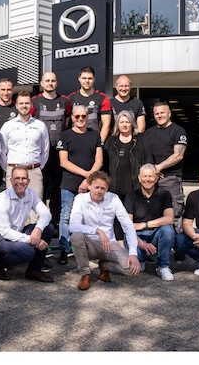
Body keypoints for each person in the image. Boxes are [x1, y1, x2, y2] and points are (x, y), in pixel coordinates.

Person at [68, 171, 140, 290]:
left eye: (103, 188)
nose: (99, 191)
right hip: (89, 244)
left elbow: (128, 225)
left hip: (110, 244)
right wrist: (97, 231)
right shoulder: (80, 199)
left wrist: (133, 253)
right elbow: (73, 226)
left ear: (107, 189)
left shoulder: (114, 198)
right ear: (89, 186)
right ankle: (85, 274)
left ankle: (105, 266)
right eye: (96, 187)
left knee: (131, 269)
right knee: (76, 236)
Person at [55, 105, 103, 265]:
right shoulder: (65, 135)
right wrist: (86, 175)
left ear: (87, 117)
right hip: (69, 183)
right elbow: (63, 162)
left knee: (89, 217)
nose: (81, 119)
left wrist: (88, 180)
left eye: (83, 116)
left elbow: (99, 160)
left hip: (90, 185)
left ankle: (87, 249)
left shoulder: (95, 135)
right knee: (66, 216)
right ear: (72, 118)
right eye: (77, 116)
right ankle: (64, 250)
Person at [0, 166, 55, 283]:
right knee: (28, 252)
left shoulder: (30, 193)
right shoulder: (2, 200)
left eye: (24, 178)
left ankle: (34, 270)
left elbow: (46, 213)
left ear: (28, 181)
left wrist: (38, 229)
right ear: (11, 181)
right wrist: (32, 240)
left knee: (48, 228)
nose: (20, 182)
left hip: (17, 232)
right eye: (17, 178)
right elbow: (5, 232)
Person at [104, 109, 153, 242]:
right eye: (122, 122)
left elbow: (148, 162)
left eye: (127, 122)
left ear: (132, 123)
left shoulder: (141, 140)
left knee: (134, 216)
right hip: (115, 186)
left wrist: (147, 180)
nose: (124, 125)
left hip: (135, 186)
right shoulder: (110, 141)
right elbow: (104, 164)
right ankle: (120, 244)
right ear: (117, 124)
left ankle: (136, 244)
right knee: (116, 217)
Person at [31, 71, 71, 224]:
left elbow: (67, 121)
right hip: (41, 151)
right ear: (42, 83)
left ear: (56, 83)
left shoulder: (65, 101)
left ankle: (55, 220)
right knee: (41, 186)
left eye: (53, 81)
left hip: (59, 151)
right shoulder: (35, 101)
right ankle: (40, 220)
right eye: (47, 81)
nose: (50, 83)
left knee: (57, 186)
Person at [124, 163, 176, 281]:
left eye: (151, 176)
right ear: (139, 178)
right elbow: (128, 226)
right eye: (145, 176)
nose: (147, 179)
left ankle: (163, 266)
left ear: (156, 178)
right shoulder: (131, 196)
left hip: (156, 234)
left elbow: (169, 218)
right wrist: (142, 244)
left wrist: (144, 224)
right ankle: (141, 259)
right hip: (138, 237)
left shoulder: (164, 194)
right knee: (137, 255)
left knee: (168, 230)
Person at [145, 101, 188, 233]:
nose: (159, 115)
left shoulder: (178, 131)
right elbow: (143, 155)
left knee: (174, 215)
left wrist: (158, 168)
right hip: (151, 180)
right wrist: (152, 170)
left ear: (169, 113)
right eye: (156, 113)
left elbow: (179, 155)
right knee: (153, 214)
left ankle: (178, 244)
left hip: (170, 179)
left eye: (162, 112)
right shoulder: (149, 133)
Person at [0, 91, 50, 198]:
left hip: (34, 172)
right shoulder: (7, 126)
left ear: (31, 105)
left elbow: (45, 150)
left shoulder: (40, 126)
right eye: (21, 103)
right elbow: (2, 152)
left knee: (35, 205)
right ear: (17, 106)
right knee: (14, 204)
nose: (24, 106)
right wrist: (9, 169)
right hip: (13, 172)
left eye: (27, 103)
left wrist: (38, 167)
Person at [67, 66, 112, 146]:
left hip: (94, 142)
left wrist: (99, 144)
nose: (87, 81)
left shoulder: (102, 98)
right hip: (75, 142)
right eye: (84, 78)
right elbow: (66, 123)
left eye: (90, 78)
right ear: (79, 79)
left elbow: (106, 124)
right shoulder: (71, 98)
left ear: (94, 79)